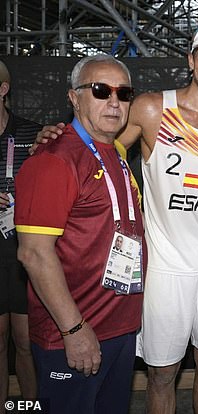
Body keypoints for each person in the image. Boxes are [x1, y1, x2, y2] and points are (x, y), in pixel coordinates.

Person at [33, 21, 198, 414]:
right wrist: (60, 137)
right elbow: (99, 146)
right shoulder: (152, 108)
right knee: (162, 374)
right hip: (164, 268)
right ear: (191, 60)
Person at [15, 55, 143, 414]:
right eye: (101, 91)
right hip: (75, 333)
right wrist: (74, 331)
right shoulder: (54, 159)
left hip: (119, 327)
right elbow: (34, 254)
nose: (114, 102)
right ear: (74, 97)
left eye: (124, 92)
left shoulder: (116, 151)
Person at [0, 59, 38, 411]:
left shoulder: (31, 134)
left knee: (26, 342)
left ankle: (31, 406)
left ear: (3, 90)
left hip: (24, 250)